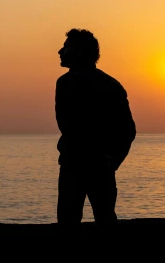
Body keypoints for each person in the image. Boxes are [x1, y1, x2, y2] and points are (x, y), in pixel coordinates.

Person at [55, 28, 136, 226]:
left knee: (70, 222)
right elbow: (128, 130)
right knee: (105, 219)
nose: (60, 51)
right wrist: (113, 160)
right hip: (96, 166)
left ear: (80, 52)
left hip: (78, 165)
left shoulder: (66, 83)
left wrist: (110, 161)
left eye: (66, 48)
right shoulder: (111, 84)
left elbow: (66, 125)